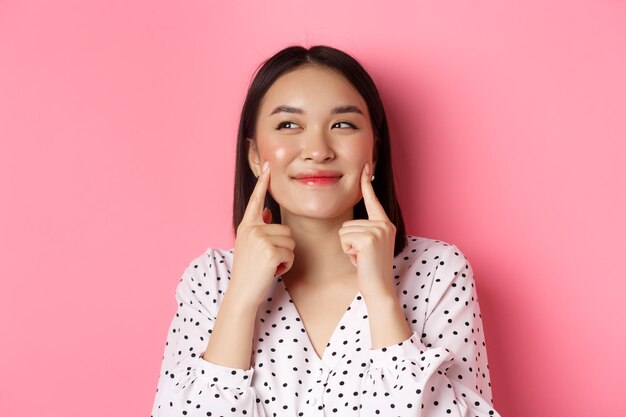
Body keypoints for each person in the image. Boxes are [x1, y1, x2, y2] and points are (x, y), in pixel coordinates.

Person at [151, 45, 500, 417]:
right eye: (288, 125)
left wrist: (382, 297)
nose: (318, 150)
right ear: (254, 155)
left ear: (374, 151)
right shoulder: (211, 280)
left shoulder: (437, 272)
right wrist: (239, 302)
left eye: (342, 125)